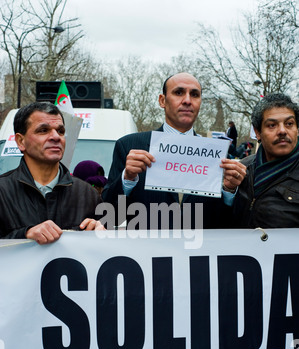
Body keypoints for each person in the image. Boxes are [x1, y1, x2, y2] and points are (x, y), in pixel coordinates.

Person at [102, 72, 246, 229]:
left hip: (199, 251)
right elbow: (109, 217)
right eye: (179, 93)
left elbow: (232, 225)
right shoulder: (129, 146)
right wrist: (127, 179)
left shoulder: (218, 156)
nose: (187, 100)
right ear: (162, 100)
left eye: (195, 95)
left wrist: (229, 192)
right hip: (146, 251)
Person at [0, 101, 104, 244]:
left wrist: (101, 235)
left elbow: (104, 256)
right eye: (43, 130)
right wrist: (25, 234)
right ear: (20, 141)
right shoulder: (2, 191)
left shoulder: (87, 194)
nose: (56, 137)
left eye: (60, 131)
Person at [232, 93, 299, 228]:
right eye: (272, 125)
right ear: (257, 133)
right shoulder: (240, 169)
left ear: (297, 129)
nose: (282, 131)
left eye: (289, 124)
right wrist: (228, 190)